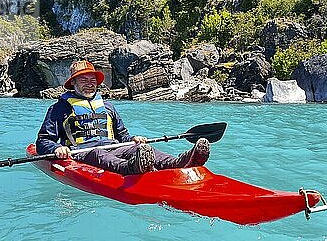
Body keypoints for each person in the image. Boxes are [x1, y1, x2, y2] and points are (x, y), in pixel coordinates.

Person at [36, 60, 210, 175]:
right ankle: (131, 168)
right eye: (83, 80)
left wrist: (133, 139)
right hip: (82, 153)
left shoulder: (108, 107)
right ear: (73, 83)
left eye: (92, 80)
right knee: (98, 153)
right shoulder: (60, 108)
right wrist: (56, 148)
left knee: (139, 148)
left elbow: (122, 136)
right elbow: (43, 141)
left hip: (115, 147)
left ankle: (180, 162)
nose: (89, 83)